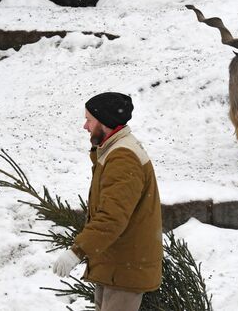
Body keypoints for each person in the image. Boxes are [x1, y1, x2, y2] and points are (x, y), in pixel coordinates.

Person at [52, 92, 163, 311]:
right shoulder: (115, 149)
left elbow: (112, 217)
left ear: (105, 123)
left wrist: (77, 252)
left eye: (89, 120)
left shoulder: (123, 158)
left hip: (125, 268)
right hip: (117, 263)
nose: (85, 126)